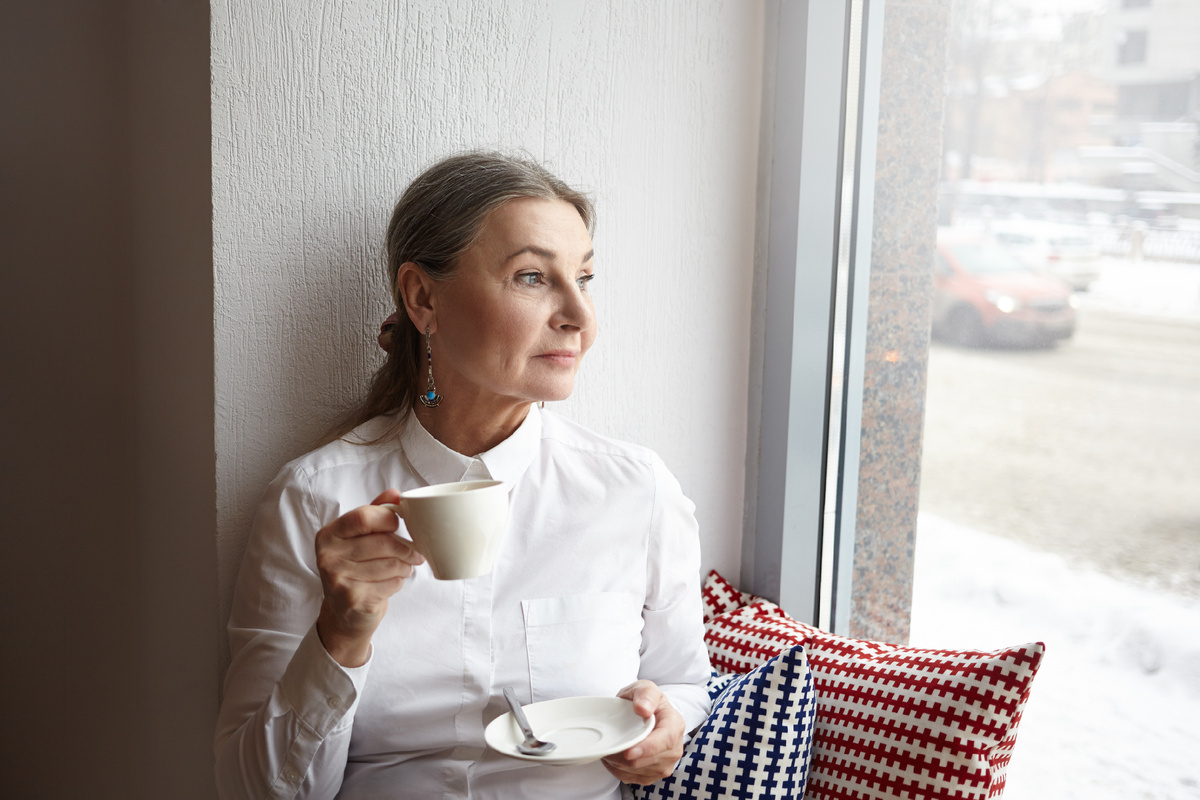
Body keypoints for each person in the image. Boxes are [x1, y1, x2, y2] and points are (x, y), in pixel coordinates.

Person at [213, 152, 713, 799]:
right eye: (533, 277)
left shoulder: (634, 491)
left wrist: (666, 724)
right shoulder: (315, 499)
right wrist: (340, 634)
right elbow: (251, 789)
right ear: (424, 298)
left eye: (584, 278)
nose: (580, 319)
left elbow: (682, 681)